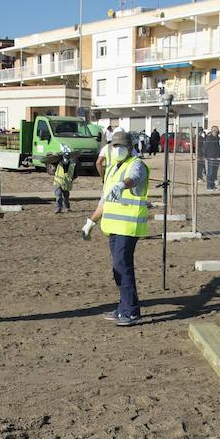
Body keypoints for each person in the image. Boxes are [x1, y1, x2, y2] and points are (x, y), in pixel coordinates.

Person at [82, 129, 149, 327]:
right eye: (115, 146)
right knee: (118, 268)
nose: (117, 149)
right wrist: (91, 222)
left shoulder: (136, 164)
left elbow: (134, 178)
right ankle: (123, 307)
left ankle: (131, 312)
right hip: (113, 228)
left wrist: (122, 185)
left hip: (128, 227)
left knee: (122, 266)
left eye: (121, 146)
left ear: (130, 148)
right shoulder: (112, 169)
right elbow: (105, 200)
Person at [53, 145, 76, 214]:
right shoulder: (58, 162)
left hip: (66, 183)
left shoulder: (72, 164)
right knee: (58, 196)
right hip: (58, 182)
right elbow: (50, 160)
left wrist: (72, 178)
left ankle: (67, 207)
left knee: (66, 197)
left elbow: (75, 173)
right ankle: (58, 208)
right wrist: (55, 155)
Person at [200, 126, 220, 191]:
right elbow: (205, 148)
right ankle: (209, 186)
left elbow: (218, 148)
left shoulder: (217, 138)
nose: (216, 132)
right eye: (215, 131)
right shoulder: (209, 138)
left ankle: (213, 185)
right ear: (212, 131)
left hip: (217, 158)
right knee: (210, 173)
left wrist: (219, 156)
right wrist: (205, 156)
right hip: (210, 158)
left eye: (217, 131)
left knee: (214, 173)